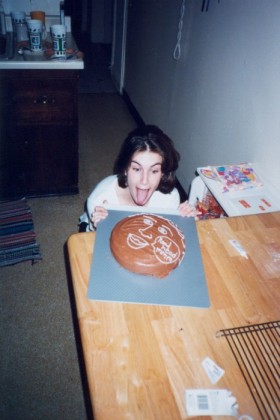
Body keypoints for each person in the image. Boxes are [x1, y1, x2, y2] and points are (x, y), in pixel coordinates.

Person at [79, 125, 199, 231]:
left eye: (154, 171)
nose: (144, 181)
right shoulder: (99, 201)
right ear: (125, 168)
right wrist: (97, 227)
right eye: (136, 169)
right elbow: (91, 246)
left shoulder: (169, 199)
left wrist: (182, 223)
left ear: (163, 173)